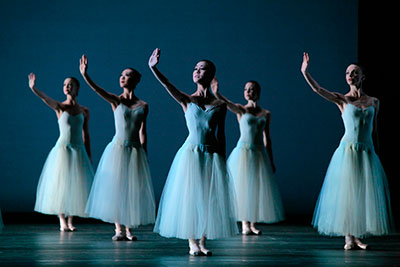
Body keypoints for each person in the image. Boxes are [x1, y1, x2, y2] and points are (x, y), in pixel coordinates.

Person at [301, 52, 394, 250]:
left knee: (362, 193)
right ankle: (349, 237)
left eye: (354, 72)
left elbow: (374, 130)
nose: (350, 75)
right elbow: (318, 90)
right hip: (348, 152)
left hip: (367, 152)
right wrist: (305, 72)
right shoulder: (342, 100)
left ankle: (357, 235)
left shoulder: (374, 102)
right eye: (347, 73)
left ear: (362, 77)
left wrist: (376, 153)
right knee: (348, 193)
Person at [149, 48, 237, 256]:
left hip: (212, 155)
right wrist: (154, 68)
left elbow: (222, 134)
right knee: (191, 196)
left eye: (202, 68)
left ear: (211, 74)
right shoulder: (187, 100)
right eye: (195, 68)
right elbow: (168, 85)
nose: (197, 71)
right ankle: (192, 242)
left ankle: (203, 241)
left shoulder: (220, 105)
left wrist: (223, 162)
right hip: (191, 154)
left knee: (208, 198)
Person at [80, 55, 155, 241]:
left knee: (132, 189)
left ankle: (129, 229)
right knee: (117, 188)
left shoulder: (143, 105)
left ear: (136, 80)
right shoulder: (116, 101)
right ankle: (118, 229)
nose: (123, 77)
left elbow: (143, 131)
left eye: (128, 75)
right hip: (118, 149)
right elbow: (98, 90)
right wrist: (85, 75)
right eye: (121, 74)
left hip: (135, 151)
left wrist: (144, 152)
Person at [212, 79, 285, 235]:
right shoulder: (241, 110)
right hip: (244, 152)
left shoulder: (266, 113)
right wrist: (217, 93)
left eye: (251, 89)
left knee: (256, 187)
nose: (248, 92)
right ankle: (245, 223)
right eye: (246, 89)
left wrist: (271, 160)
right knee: (244, 187)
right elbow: (228, 103)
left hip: (259, 154)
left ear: (257, 92)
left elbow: (267, 138)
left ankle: (252, 223)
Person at [28, 73, 94, 232]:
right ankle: (62, 220)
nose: (67, 86)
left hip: (78, 150)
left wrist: (89, 154)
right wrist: (34, 88)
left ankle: (71, 220)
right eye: (65, 84)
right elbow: (45, 99)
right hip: (63, 149)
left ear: (77, 88)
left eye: (71, 84)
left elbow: (86, 134)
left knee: (76, 184)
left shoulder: (84, 110)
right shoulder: (60, 107)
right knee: (62, 184)